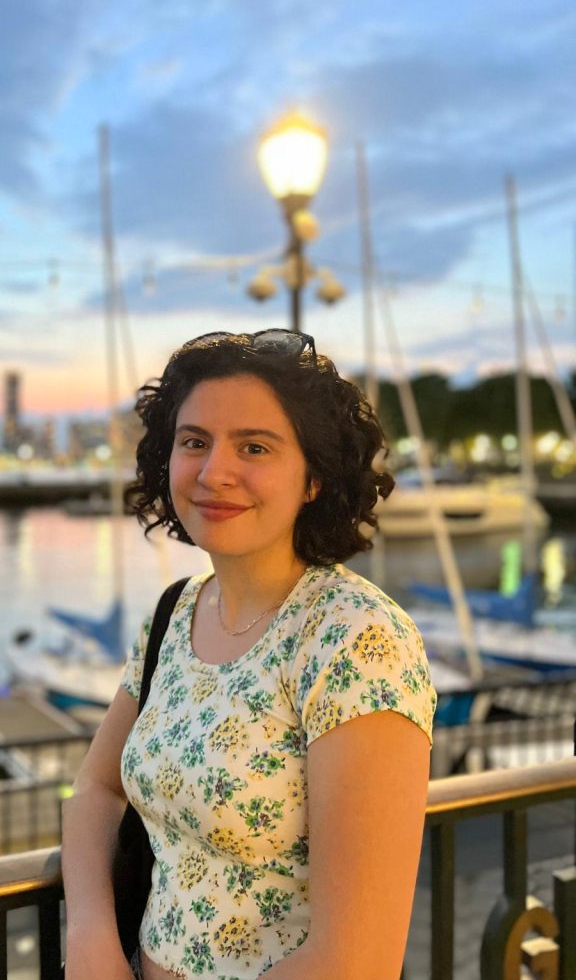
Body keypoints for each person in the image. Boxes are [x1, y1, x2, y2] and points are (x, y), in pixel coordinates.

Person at [61, 329, 436, 980]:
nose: (214, 473)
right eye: (194, 442)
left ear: (314, 477)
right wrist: (91, 934)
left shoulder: (354, 639)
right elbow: (95, 787)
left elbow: (356, 961)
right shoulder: (174, 613)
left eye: (254, 447)